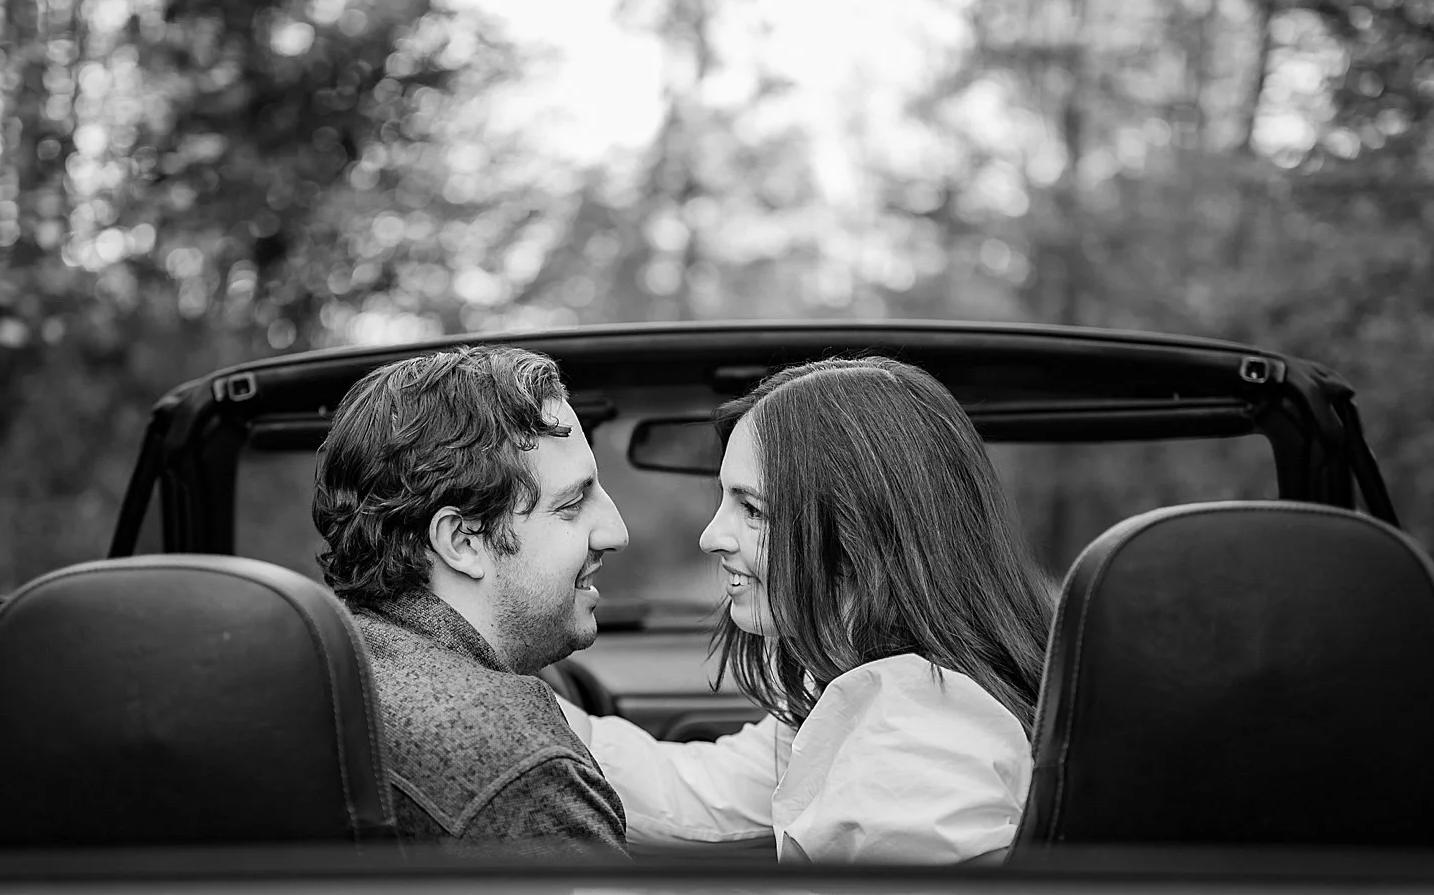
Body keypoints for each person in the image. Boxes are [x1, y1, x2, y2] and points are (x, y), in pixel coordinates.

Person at [556, 356, 1056, 864]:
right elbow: (699, 794)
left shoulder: (912, 740)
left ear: (857, 529)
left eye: (751, 508)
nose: (712, 537)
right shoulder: (867, 690)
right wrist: (514, 708)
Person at [312, 345, 630, 855]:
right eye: (572, 504)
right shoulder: (520, 770)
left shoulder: (330, 672)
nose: (615, 532)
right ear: (462, 542)